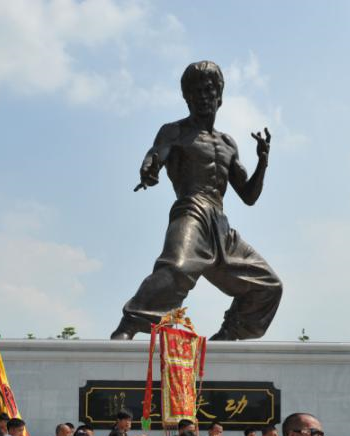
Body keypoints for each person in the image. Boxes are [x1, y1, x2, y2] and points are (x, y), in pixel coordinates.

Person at [109, 60, 281, 341]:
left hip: (221, 227)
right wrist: (149, 168)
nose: (204, 97)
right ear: (187, 98)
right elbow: (156, 155)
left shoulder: (227, 144)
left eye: (209, 90)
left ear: (220, 97)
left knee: (269, 285)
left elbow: (249, 196)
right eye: (197, 91)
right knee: (176, 268)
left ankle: (227, 337)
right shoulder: (174, 131)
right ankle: (128, 326)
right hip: (192, 212)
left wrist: (263, 162)